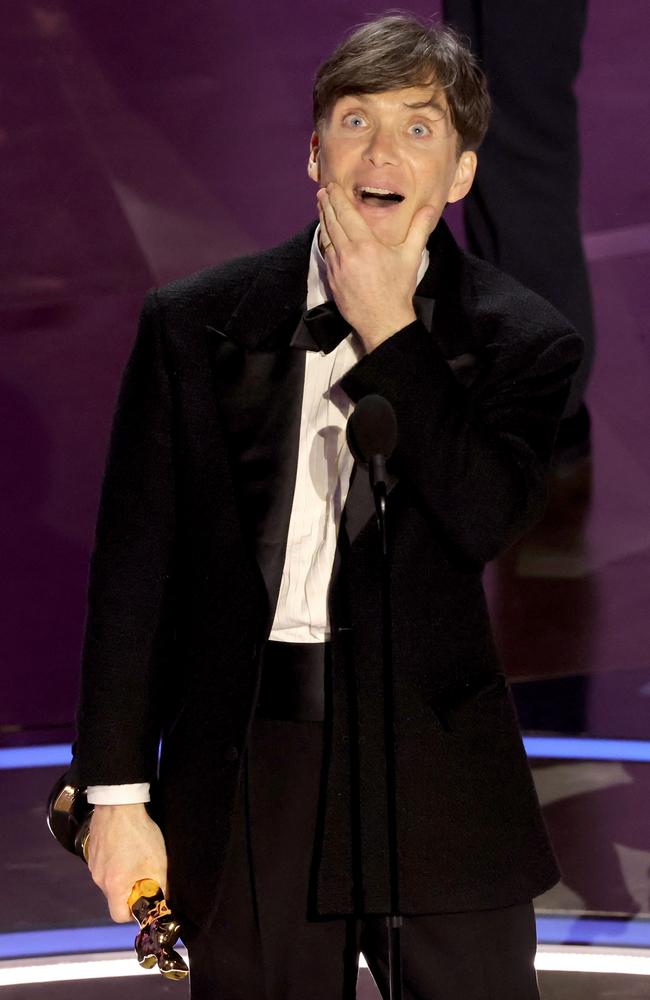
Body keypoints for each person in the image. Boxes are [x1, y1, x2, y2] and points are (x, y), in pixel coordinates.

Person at [72, 15, 584, 999]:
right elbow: (135, 575)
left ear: (462, 174)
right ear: (314, 152)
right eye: (355, 121)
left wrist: (390, 333)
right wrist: (117, 794)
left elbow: (481, 516)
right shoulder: (194, 324)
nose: (382, 152)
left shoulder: (524, 340)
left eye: (419, 129)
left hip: (434, 775)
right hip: (253, 761)